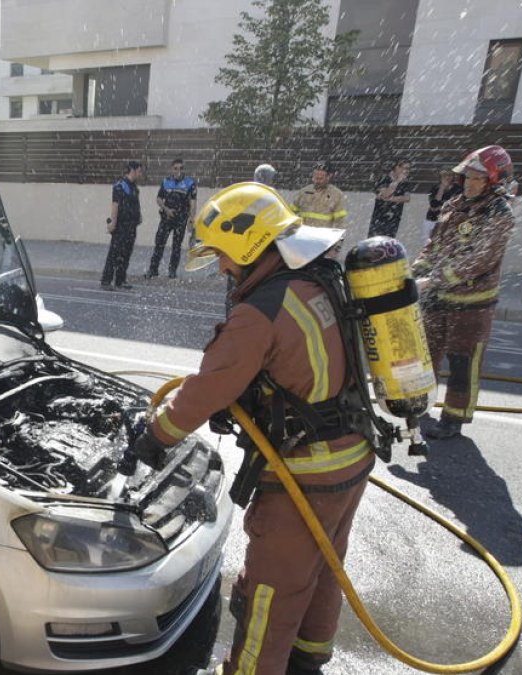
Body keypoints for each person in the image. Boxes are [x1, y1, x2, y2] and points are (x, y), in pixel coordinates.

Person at [129, 182, 372, 674]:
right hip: (351, 456)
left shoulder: (258, 313)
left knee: (270, 592)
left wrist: (156, 436)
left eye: (221, 254)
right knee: (322, 567)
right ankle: (309, 659)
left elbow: (206, 388)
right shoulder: (319, 279)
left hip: (305, 473)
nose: (220, 266)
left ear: (248, 245)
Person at [413, 145, 515, 440]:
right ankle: (419, 405)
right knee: (425, 355)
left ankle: (453, 419)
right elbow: (435, 244)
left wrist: (433, 280)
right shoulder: (453, 205)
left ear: (493, 182)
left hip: (472, 304)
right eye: (467, 177)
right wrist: (418, 268)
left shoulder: (499, 213)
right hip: (437, 299)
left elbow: (480, 259)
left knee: (462, 363)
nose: (469, 183)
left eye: (477, 179)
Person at [146, 158, 197, 279]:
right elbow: (159, 198)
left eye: (180, 168)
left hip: (181, 219)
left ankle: (172, 271)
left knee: (176, 246)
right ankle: (153, 270)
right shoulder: (166, 181)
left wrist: (191, 219)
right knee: (159, 243)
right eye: (175, 168)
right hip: (166, 218)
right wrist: (166, 209)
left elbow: (193, 202)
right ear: (172, 169)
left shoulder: (190, 183)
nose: (178, 171)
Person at [101, 161, 144, 289]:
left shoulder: (134, 187)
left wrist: (139, 215)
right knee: (114, 254)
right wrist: (113, 222)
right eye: (139, 171)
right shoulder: (120, 186)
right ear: (133, 170)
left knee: (126, 254)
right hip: (121, 226)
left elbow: (136, 203)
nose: (140, 174)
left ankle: (120, 280)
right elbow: (115, 204)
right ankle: (106, 281)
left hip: (132, 226)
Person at [368, 159, 416, 238]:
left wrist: (391, 199)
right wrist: (397, 181)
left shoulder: (405, 182)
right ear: (397, 167)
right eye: (405, 168)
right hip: (379, 218)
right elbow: (386, 194)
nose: (407, 171)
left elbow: (407, 198)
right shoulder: (383, 179)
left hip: (394, 219)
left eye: (409, 169)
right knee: (374, 244)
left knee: (388, 245)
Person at [291, 162, 346, 228]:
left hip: (323, 236)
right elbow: (291, 214)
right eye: (316, 177)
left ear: (329, 177)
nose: (317, 181)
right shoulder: (303, 192)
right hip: (303, 235)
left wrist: (339, 236)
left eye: (321, 178)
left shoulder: (336, 195)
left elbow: (340, 221)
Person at [423, 168, 461, 240]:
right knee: (429, 240)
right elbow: (434, 204)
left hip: (449, 217)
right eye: (444, 175)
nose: (447, 177)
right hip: (433, 217)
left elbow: (457, 202)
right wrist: (442, 187)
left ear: (453, 176)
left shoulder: (457, 188)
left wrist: (444, 207)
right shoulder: (435, 188)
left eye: (449, 175)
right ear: (441, 177)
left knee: (445, 239)